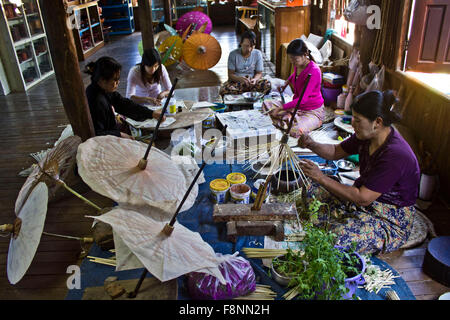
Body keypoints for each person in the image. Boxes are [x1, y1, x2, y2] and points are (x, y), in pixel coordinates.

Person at [298, 90, 420, 255]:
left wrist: (321, 177)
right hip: (361, 203)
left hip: (388, 218)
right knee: (310, 185)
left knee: (337, 237)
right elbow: (335, 151)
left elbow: (362, 198)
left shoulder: (395, 155)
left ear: (377, 122)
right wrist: (311, 144)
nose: (353, 123)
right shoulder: (365, 136)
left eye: (357, 119)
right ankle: (344, 220)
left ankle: (342, 223)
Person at [85, 56, 164, 139]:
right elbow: (98, 133)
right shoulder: (95, 100)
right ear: (102, 80)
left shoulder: (104, 90)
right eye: (115, 80)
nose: (118, 82)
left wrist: (151, 113)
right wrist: (120, 135)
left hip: (112, 131)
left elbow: (124, 104)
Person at [263, 38, 324, 137]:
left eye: (295, 59)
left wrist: (281, 108)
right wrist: (287, 82)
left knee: (295, 130)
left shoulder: (314, 71)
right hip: (296, 107)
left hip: (311, 110)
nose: (292, 62)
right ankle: (288, 119)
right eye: (290, 58)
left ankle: (292, 120)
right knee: (266, 104)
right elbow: (295, 75)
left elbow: (302, 100)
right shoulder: (298, 64)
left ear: (305, 55)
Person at [219, 31, 271, 97]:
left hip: (252, 83)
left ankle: (243, 93)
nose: (249, 49)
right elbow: (230, 75)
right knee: (224, 90)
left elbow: (259, 73)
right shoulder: (233, 54)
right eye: (246, 46)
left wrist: (254, 79)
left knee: (267, 85)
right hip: (237, 82)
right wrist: (240, 79)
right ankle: (250, 93)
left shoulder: (258, 54)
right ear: (241, 43)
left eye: (252, 46)